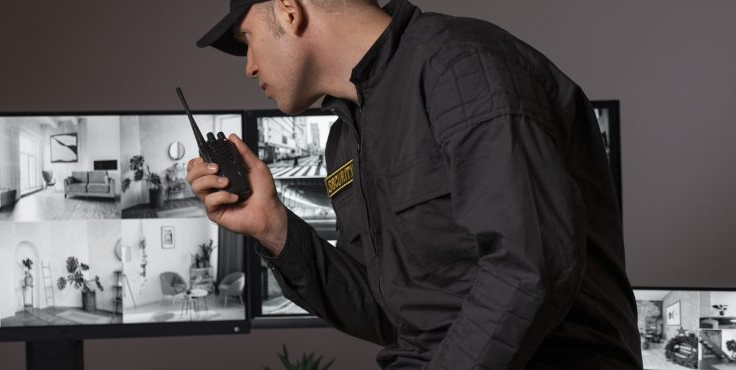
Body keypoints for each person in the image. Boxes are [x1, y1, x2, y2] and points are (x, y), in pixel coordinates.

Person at [187, 0, 643, 368]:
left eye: (248, 40)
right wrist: (273, 228)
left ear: (290, 9)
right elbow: (390, 316)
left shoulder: (460, 65)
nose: (248, 66)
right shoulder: (345, 139)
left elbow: (529, 266)